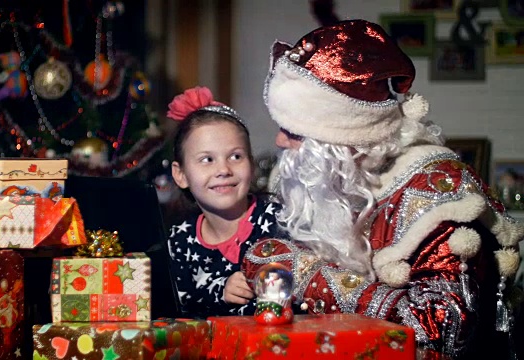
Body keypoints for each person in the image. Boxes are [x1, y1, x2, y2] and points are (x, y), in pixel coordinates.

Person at [242, 19, 523, 359]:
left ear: (344, 138)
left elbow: (442, 332)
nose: (279, 141)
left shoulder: (436, 197)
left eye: (294, 132)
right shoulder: (333, 181)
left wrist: (307, 275)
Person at [165, 86, 282, 319]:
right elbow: (175, 307)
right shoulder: (178, 241)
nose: (223, 170)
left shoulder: (277, 221)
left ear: (250, 162)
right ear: (181, 175)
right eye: (207, 159)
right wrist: (218, 290)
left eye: (235, 156)